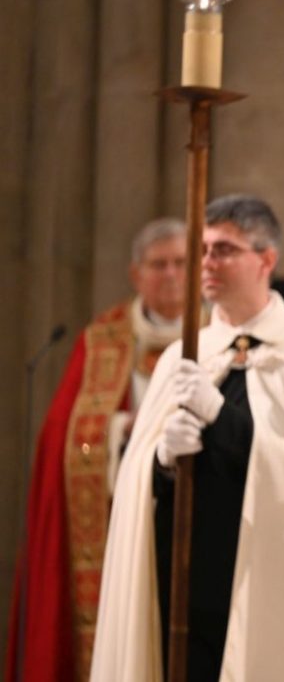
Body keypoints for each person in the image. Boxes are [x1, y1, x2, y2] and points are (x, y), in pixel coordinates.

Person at [90, 195, 284, 682]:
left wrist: (220, 417)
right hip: (186, 577)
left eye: (224, 249)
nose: (207, 263)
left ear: (266, 259)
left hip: (271, 579)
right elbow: (138, 489)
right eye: (203, 249)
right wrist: (160, 460)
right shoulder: (183, 358)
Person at [6, 217, 188, 682]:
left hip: (191, 510)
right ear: (136, 274)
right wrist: (123, 432)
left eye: (181, 262)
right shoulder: (102, 339)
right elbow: (61, 437)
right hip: (115, 520)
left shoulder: (219, 336)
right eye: (159, 264)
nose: (170, 274)